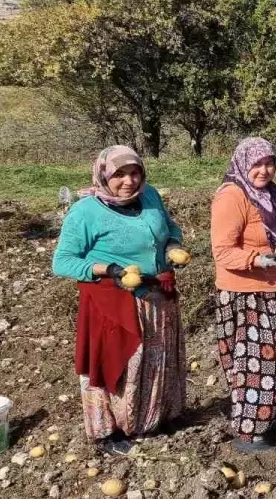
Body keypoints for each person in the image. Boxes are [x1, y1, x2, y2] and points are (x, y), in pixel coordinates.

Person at [52, 145, 187, 455]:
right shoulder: (85, 212)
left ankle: (154, 417)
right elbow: (62, 261)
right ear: (103, 175)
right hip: (114, 302)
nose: (129, 180)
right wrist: (107, 269)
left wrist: (171, 247)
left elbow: (170, 228)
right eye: (120, 174)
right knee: (119, 362)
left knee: (158, 360)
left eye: (135, 172)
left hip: (157, 295)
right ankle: (109, 432)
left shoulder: (150, 195)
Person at [210, 137, 276, 454]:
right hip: (245, 293)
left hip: (272, 288)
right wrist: (260, 261)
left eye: (269, 163)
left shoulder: (272, 195)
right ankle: (249, 435)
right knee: (255, 363)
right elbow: (222, 252)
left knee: (271, 360)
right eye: (257, 164)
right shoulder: (232, 196)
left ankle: (260, 419)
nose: (264, 170)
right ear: (242, 164)